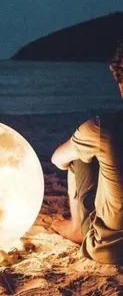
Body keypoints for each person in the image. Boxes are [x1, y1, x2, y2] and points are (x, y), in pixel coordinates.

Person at [51, 50, 123, 265]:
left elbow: (57, 159)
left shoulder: (102, 128)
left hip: (111, 249)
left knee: (79, 156)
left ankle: (77, 229)